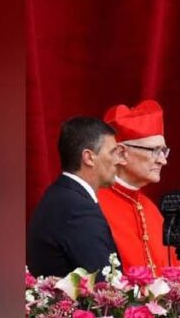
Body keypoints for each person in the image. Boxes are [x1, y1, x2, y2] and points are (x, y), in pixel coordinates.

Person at [27, 116, 123, 277]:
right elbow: (105, 286)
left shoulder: (61, 196)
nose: (119, 161)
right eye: (113, 152)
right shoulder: (77, 209)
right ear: (89, 157)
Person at [96, 99, 179, 275]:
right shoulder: (94, 205)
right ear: (120, 153)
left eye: (164, 151)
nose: (163, 160)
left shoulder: (152, 210)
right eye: (154, 151)